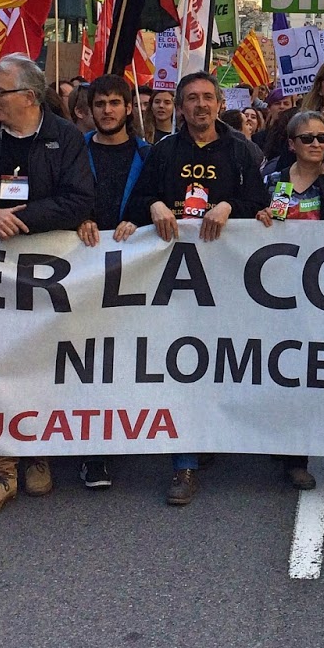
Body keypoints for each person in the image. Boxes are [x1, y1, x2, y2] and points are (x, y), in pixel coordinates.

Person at [0, 54, 94, 517]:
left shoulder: (63, 137)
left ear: (28, 97)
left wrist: (20, 220)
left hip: (47, 270)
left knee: (38, 361)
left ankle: (38, 452)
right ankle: (1, 468)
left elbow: (80, 199)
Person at [128, 71, 272, 507]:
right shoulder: (163, 151)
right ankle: (183, 463)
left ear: (220, 101)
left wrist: (232, 205)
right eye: (191, 98)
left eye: (208, 97)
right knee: (182, 362)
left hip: (229, 279)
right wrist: (152, 203)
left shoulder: (243, 151)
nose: (201, 105)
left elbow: (268, 207)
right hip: (176, 277)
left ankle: (213, 432)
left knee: (221, 359)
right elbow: (136, 202)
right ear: (180, 105)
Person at [262, 108, 324, 491]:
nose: (317, 144)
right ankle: (285, 449)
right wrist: (259, 215)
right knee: (282, 369)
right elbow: (262, 226)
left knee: (312, 371)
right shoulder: (274, 181)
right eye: (308, 138)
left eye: (323, 137)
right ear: (291, 144)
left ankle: (304, 449)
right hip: (277, 293)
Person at [73, 74, 151, 491]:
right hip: (80, 267)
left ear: (127, 109)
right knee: (86, 359)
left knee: (122, 358)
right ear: (89, 109)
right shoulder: (73, 151)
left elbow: (156, 195)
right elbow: (62, 194)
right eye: (100, 103)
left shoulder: (147, 153)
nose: (107, 110)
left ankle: (120, 433)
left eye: (115, 103)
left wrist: (137, 219)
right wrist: (75, 219)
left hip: (132, 268)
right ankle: (93, 452)